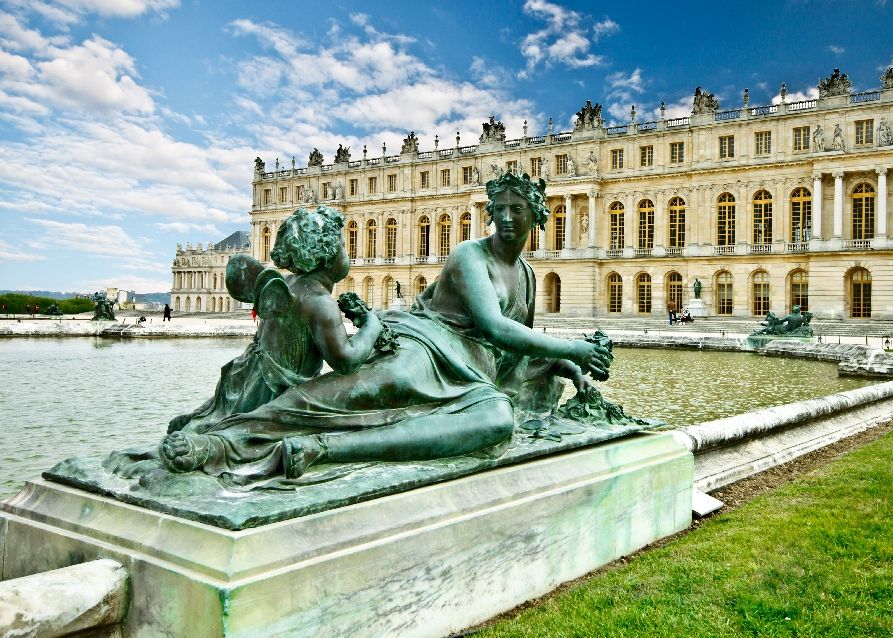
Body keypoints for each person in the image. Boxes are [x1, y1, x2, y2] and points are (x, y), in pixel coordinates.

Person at [158, 172, 610, 484]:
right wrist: (574, 346)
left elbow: (512, 352)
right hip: (425, 344)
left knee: (497, 419)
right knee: (357, 392)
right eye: (501, 209)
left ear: (538, 215)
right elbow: (494, 326)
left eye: (518, 210)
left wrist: (564, 362)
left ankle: (325, 449)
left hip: (472, 377)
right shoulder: (470, 256)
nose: (508, 219)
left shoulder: (528, 276)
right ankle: (223, 441)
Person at [164, 205, 383, 436]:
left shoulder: (287, 283)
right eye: (342, 247)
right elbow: (345, 361)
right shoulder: (320, 302)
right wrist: (372, 325)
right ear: (327, 256)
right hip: (277, 396)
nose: (346, 253)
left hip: (248, 382)